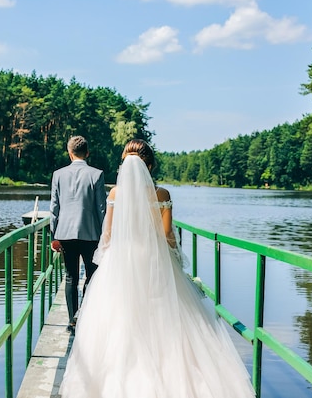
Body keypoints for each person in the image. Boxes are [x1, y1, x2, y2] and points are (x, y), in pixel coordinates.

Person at [59, 139, 255, 398]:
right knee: (163, 317)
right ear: (149, 166)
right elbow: (167, 236)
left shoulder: (116, 194)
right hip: (153, 261)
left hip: (122, 259)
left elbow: (107, 235)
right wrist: (176, 260)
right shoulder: (162, 195)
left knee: (120, 318)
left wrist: (109, 259)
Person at [50, 135, 106, 335]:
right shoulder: (97, 174)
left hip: (64, 233)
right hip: (91, 234)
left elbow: (54, 207)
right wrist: (105, 237)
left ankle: (72, 321)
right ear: (87, 153)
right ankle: (85, 315)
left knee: (71, 276)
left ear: (69, 152)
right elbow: (102, 210)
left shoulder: (58, 174)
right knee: (91, 276)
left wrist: (53, 236)